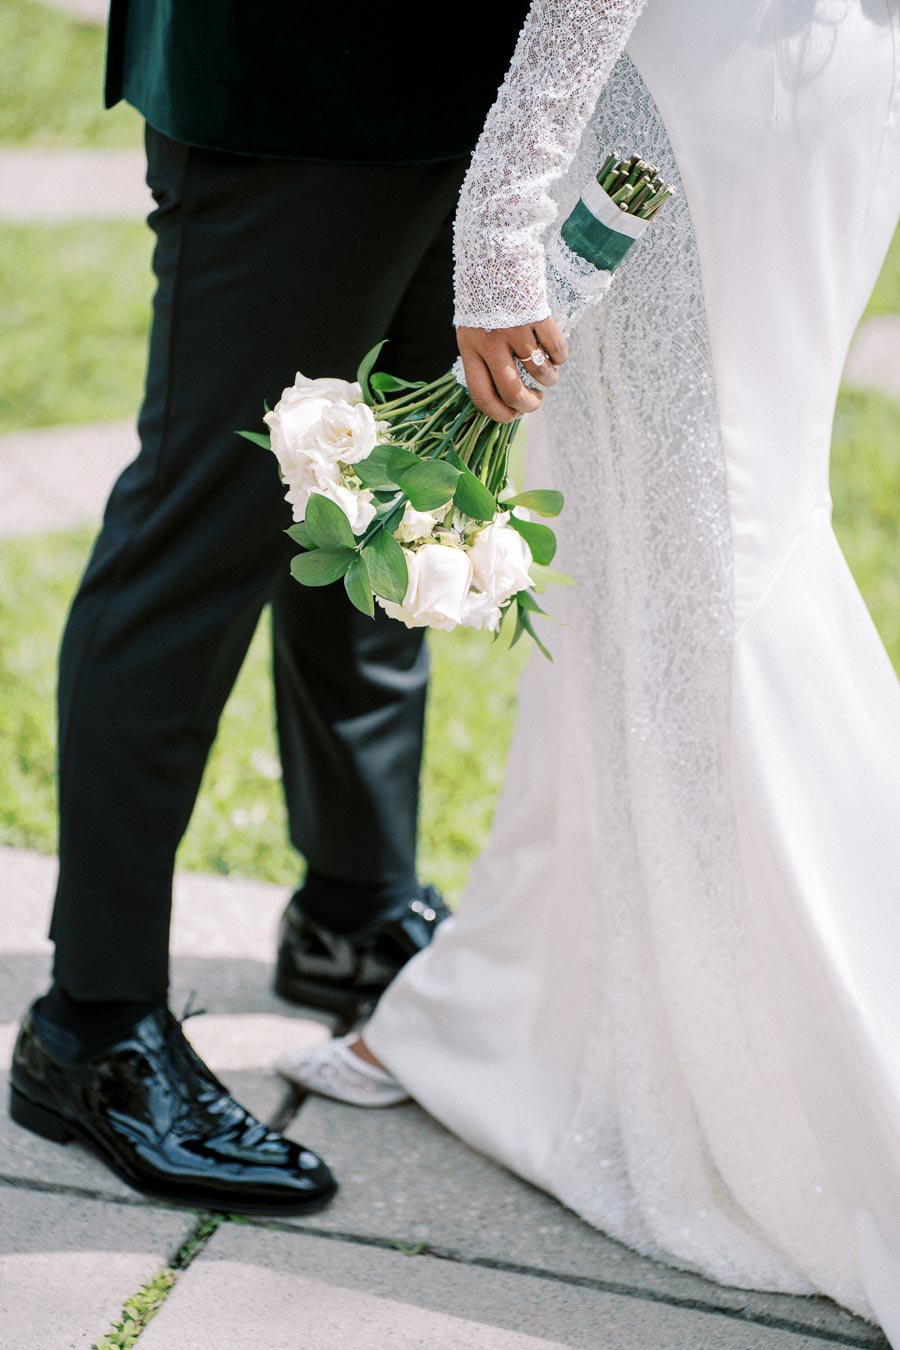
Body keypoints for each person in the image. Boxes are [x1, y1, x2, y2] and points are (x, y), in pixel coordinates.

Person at [276, 0, 900, 1337]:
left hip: (691, 85)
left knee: (701, 561)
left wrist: (499, 228)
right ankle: (503, 994)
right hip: (834, 79)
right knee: (681, 552)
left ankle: (831, 1031)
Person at [8, 1, 527, 1214]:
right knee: (203, 533)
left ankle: (353, 908)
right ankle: (91, 1026)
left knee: (384, 505)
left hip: (475, 84)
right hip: (292, 70)